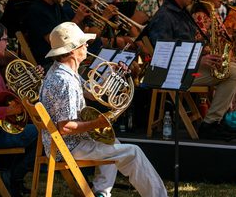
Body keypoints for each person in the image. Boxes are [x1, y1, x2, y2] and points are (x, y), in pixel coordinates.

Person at [39, 21, 167, 197]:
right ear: (72, 50)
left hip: (62, 144)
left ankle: (100, 193)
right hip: (68, 146)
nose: (86, 45)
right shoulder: (65, 81)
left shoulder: (62, 72)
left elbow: (93, 92)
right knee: (134, 152)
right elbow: (65, 127)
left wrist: (114, 75)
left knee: (112, 142)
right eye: (83, 43)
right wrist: (96, 123)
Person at [147, 0, 236, 139]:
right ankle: (210, 123)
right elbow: (163, 54)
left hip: (186, 67)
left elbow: (187, 43)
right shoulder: (164, 16)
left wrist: (205, 52)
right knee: (233, 72)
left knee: (235, 68)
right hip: (172, 73)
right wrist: (198, 60)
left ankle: (215, 121)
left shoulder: (181, 13)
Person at [0, 20, 38, 197]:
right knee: (43, 134)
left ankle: (10, 173)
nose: (7, 43)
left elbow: (1, 97)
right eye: (4, 39)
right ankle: (14, 176)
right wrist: (8, 112)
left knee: (37, 129)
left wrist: (32, 78)